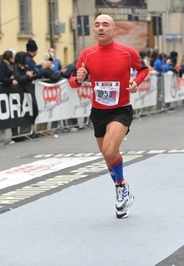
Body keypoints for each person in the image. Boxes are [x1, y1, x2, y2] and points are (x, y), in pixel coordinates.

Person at [69, 14, 149, 219]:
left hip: (121, 109)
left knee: (110, 149)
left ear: (114, 31)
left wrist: (135, 82)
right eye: (97, 25)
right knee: (107, 156)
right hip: (98, 112)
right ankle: (122, 189)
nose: (101, 28)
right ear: (93, 31)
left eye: (106, 25)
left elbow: (144, 69)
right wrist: (78, 80)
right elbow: (72, 81)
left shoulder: (127, 52)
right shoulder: (87, 54)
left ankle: (121, 187)